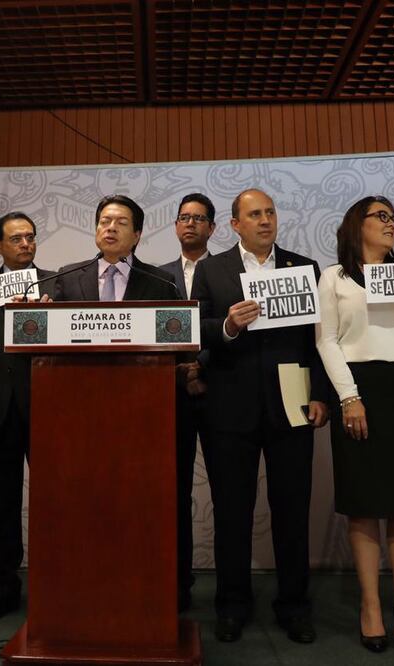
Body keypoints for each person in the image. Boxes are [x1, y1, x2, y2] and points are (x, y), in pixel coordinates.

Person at [191, 188, 329, 644]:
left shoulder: (303, 268)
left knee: (292, 511)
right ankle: (232, 604)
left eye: (270, 212)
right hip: (230, 409)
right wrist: (229, 325)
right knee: (232, 513)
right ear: (235, 224)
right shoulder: (212, 269)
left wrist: (321, 394)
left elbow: (318, 341)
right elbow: (196, 331)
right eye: (254, 214)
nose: (265, 220)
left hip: (292, 403)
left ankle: (294, 605)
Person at [316, 196, 394, 655]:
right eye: (380, 217)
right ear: (357, 224)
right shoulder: (334, 277)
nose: (390, 225)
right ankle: (371, 607)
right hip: (358, 387)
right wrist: (349, 397)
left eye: (393, 218)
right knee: (364, 503)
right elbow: (327, 341)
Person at [0, 212, 53, 623]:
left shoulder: (57, 283)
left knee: (55, 500)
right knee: (2, 504)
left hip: (48, 406)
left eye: (30, 237)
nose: (25, 244)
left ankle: (58, 583)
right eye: (16, 239)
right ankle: (3, 589)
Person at [159, 193, 215, 612]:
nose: (190, 224)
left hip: (219, 392)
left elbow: (232, 325)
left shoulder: (228, 270)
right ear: (176, 227)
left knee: (229, 492)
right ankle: (176, 582)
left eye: (199, 218)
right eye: (184, 218)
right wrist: (181, 368)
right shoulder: (157, 277)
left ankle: (230, 591)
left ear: (212, 227)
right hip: (168, 396)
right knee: (172, 494)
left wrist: (202, 367)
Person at [52, 194, 179, 302]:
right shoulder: (68, 278)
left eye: (122, 223)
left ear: (136, 235)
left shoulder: (162, 283)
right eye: (105, 222)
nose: (111, 228)